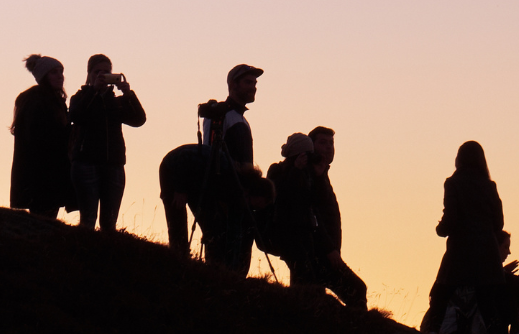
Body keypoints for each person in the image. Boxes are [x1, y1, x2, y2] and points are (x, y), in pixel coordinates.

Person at [159, 64, 273, 273]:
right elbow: (209, 152)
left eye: (255, 83)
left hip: (231, 185)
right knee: (218, 233)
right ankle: (215, 274)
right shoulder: (223, 115)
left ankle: (225, 275)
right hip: (219, 184)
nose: (254, 87)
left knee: (227, 235)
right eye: (248, 82)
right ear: (233, 85)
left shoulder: (238, 118)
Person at [421, 141, 505, 334]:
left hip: (461, 252)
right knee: (487, 304)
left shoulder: (453, 183)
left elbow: (451, 219)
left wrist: (440, 229)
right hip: (487, 253)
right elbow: (499, 222)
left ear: (459, 159)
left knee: (441, 293)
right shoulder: (489, 186)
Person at [68, 54, 146, 231]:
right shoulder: (80, 97)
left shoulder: (116, 102)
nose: (101, 76)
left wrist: (128, 94)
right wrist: (93, 91)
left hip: (114, 164)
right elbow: (76, 116)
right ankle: (84, 246)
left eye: (106, 72)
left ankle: (106, 247)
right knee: (88, 219)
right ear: (89, 75)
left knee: (109, 223)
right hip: (86, 163)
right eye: (97, 72)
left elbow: (139, 119)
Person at [307, 126, 368, 309]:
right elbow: (312, 215)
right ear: (311, 146)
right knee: (357, 289)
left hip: (322, 253)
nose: (328, 147)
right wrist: (328, 249)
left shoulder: (320, 175)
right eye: (323, 142)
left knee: (311, 300)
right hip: (317, 254)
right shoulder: (309, 176)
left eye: (331, 143)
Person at [10, 55, 73, 221]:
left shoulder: (55, 100)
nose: (60, 76)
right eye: (54, 72)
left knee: (46, 219)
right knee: (41, 220)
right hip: (40, 174)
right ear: (44, 76)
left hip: (53, 171)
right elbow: (36, 137)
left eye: (61, 72)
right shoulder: (35, 99)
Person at [265, 133, 330, 293]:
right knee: (302, 271)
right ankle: (298, 301)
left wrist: (319, 177)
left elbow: (317, 201)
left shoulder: (307, 173)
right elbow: (280, 196)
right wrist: (295, 170)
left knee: (309, 273)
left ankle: (301, 301)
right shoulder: (277, 170)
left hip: (305, 230)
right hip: (285, 230)